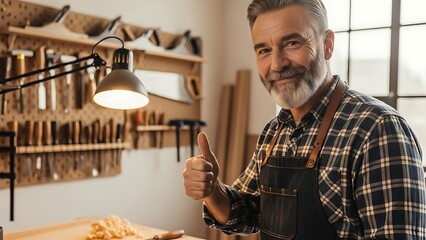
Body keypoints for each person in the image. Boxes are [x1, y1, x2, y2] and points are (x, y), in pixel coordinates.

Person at [182, 0, 426, 239]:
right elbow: (247, 214)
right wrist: (213, 191)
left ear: (328, 44)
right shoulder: (274, 131)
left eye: (291, 42)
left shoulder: (377, 130)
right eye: (264, 50)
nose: (276, 64)